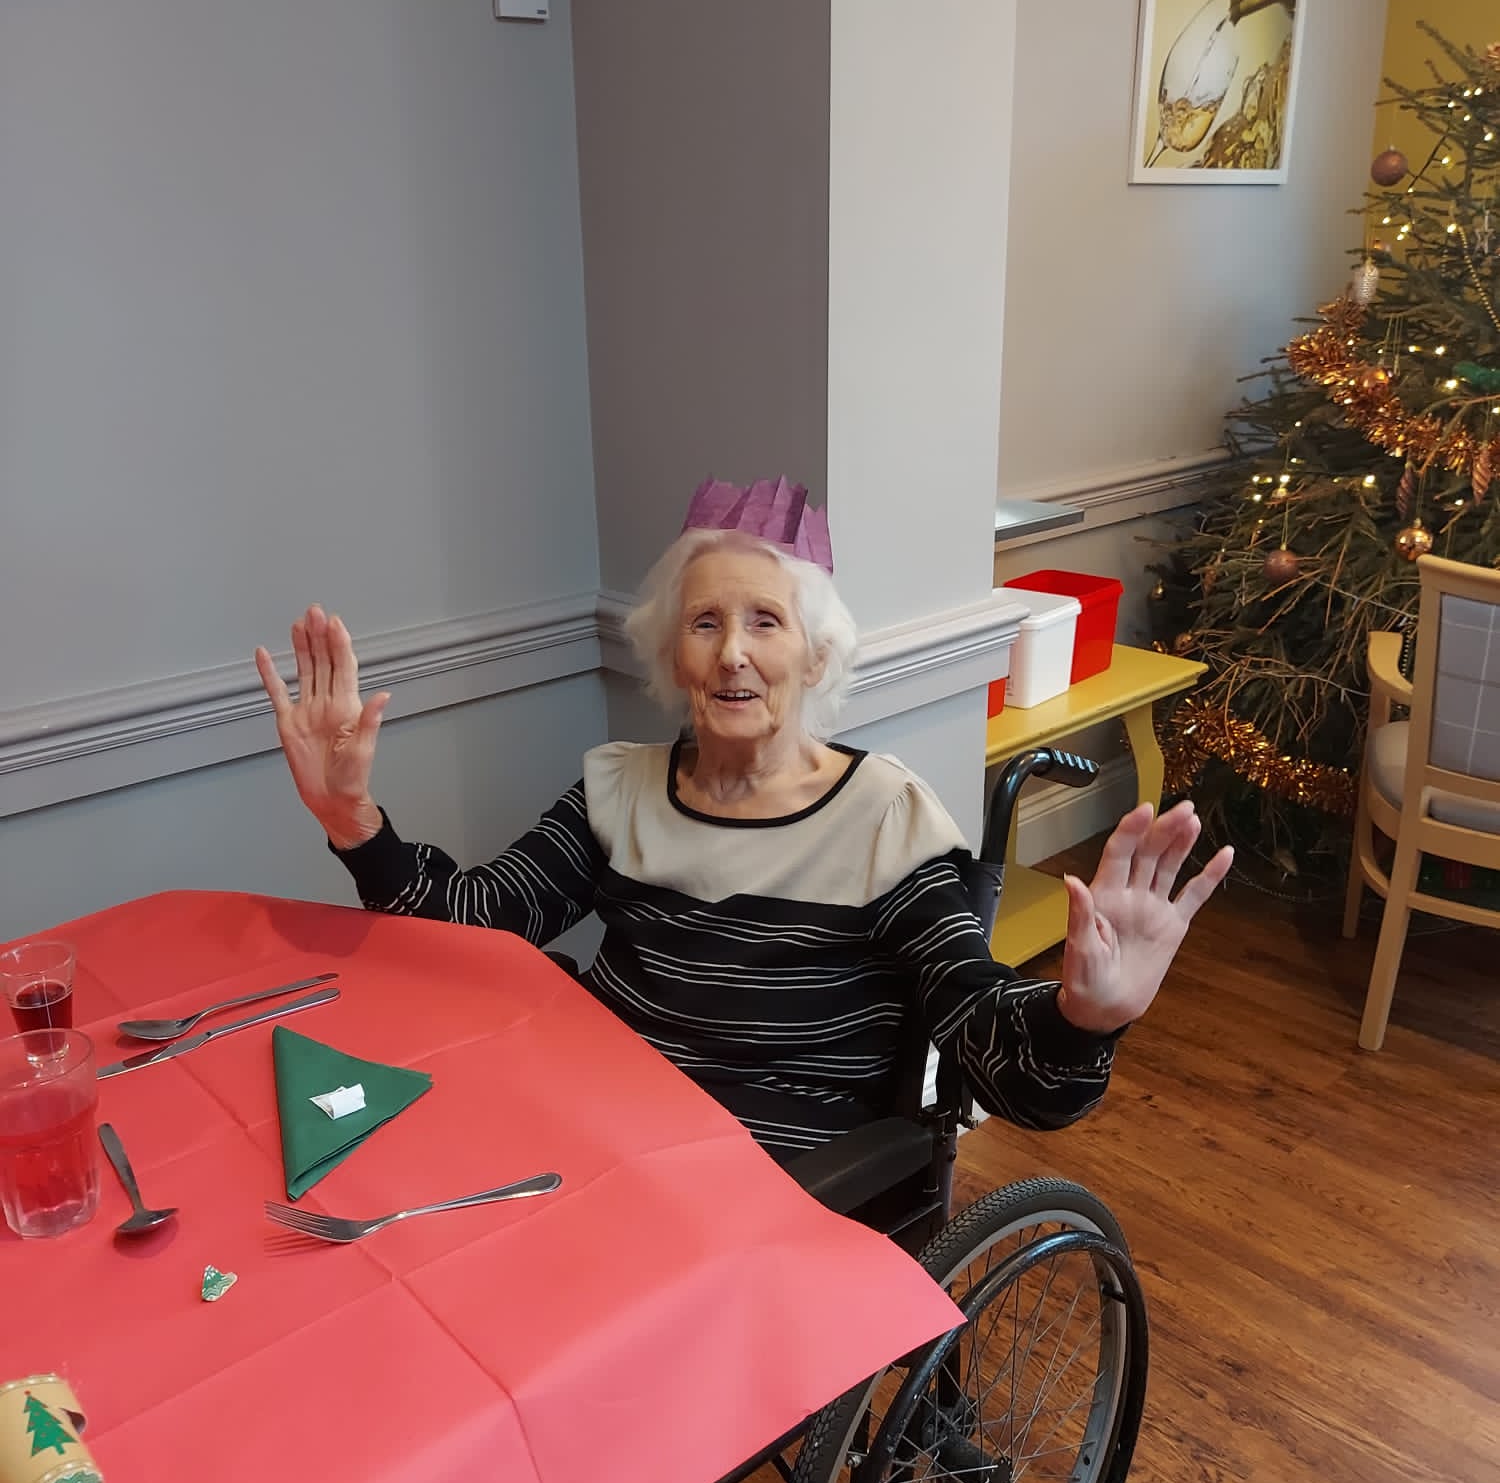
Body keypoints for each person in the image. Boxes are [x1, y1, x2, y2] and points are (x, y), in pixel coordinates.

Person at [255, 478, 1232, 1163]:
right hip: (592, 1127)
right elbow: (474, 921)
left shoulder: (883, 820)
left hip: (767, 1178)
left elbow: (987, 1042)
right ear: (671, 655)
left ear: (816, 654)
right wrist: (353, 818)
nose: (733, 653)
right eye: (705, 622)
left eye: (766, 621)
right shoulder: (621, 790)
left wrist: (1083, 1018)